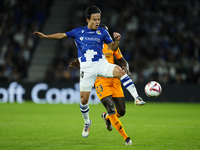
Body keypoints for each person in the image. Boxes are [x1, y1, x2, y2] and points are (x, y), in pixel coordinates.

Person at [33, 5, 145, 145]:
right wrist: (45, 36)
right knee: (84, 100)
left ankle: (137, 97)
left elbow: (114, 49)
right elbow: (62, 35)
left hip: (101, 64)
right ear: (88, 19)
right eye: (94, 20)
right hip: (87, 68)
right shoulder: (78, 31)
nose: (97, 22)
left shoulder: (103, 32)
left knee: (120, 72)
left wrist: (117, 40)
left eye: (99, 19)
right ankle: (87, 122)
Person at [69, 24, 145, 145]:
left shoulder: (111, 46)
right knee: (110, 107)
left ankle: (107, 117)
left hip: (114, 80)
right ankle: (126, 138)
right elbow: (84, 58)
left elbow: (122, 60)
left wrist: (125, 67)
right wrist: (76, 63)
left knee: (122, 111)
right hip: (100, 81)